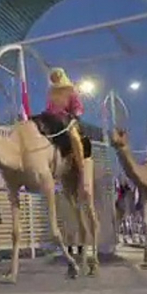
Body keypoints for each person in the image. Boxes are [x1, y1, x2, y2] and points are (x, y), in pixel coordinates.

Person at [44, 68, 88, 197]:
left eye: (57, 76)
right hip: (52, 120)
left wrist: (75, 114)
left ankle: (81, 168)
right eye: (53, 76)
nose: (55, 78)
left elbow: (77, 106)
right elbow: (49, 108)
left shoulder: (70, 90)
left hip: (67, 120)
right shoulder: (51, 92)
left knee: (73, 136)